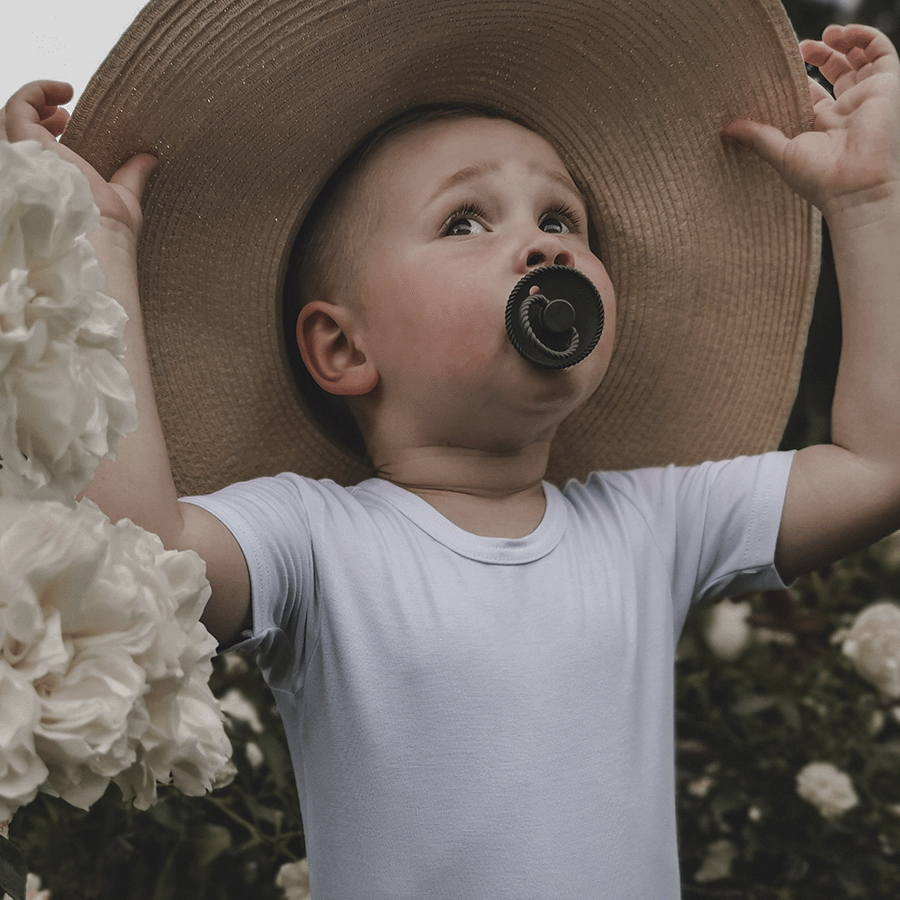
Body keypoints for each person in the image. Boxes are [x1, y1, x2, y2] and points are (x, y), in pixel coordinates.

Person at [3, 0, 899, 895]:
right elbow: (133, 565)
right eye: (465, 222)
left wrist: (869, 202)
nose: (543, 248)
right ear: (344, 349)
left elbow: (877, 467)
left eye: (562, 220)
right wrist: (92, 248)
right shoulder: (317, 542)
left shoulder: (649, 525)